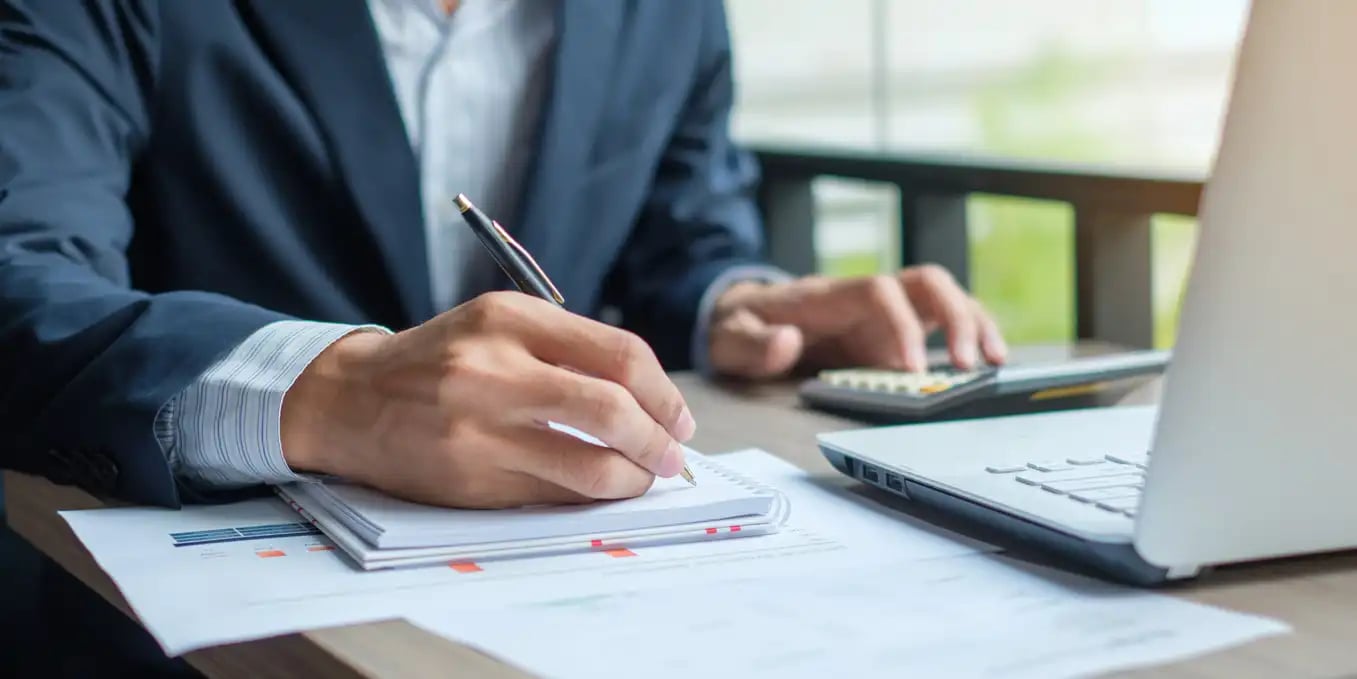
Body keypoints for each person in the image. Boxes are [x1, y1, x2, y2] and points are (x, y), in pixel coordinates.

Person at [1, 1, 1007, 672]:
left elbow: (679, 238)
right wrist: (331, 387)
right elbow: (19, 271)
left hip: (592, 619)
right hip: (187, 636)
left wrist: (732, 301)